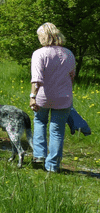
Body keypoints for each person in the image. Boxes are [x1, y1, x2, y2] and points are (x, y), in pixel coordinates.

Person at [29, 22, 75, 173]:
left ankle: (39, 155)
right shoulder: (68, 53)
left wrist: (32, 96)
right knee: (57, 131)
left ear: (44, 37)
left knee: (40, 122)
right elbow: (71, 77)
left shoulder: (39, 53)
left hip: (43, 97)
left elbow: (36, 79)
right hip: (63, 98)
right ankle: (53, 166)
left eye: (39, 36)